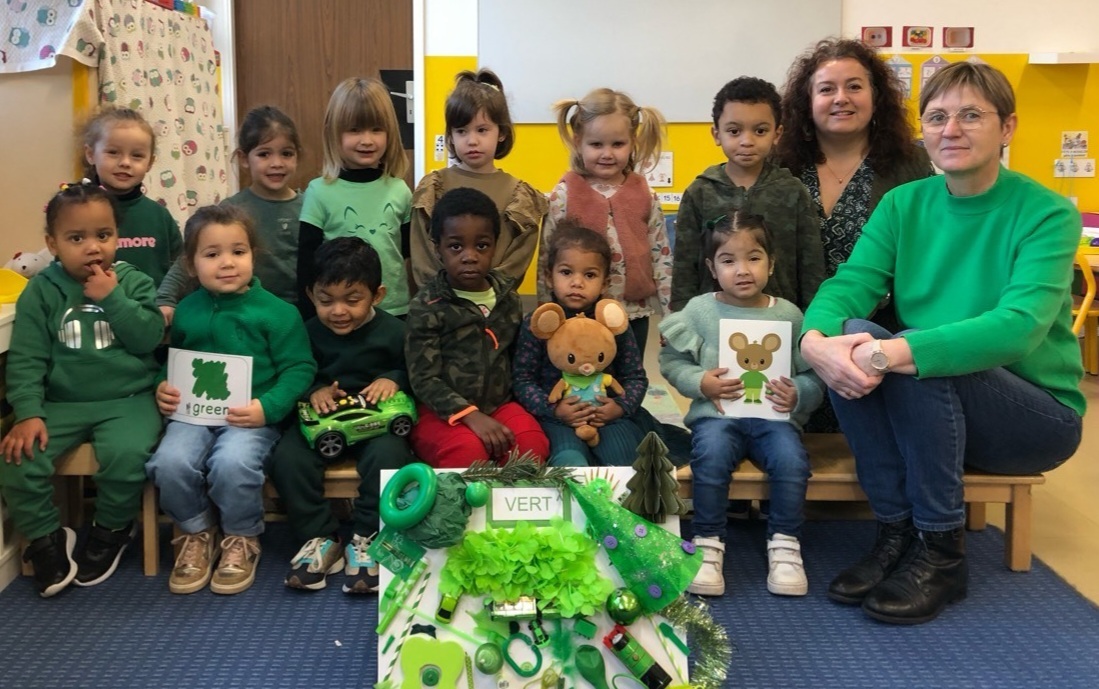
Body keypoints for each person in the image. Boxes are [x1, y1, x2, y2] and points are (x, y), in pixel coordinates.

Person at [800, 62, 1085, 625]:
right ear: (924, 131)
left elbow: (1018, 326)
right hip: (934, 414)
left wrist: (892, 353)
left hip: (1034, 420)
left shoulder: (1047, 213)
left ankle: (941, 551)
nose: (951, 129)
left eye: (971, 115)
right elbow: (850, 285)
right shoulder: (904, 204)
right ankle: (896, 533)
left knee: (913, 352)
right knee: (855, 333)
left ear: (1007, 127)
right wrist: (815, 341)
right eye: (937, 117)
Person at [0, 182, 163, 597]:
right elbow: (27, 358)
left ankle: (111, 529)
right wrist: (28, 412)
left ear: (117, 237)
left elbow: (148, 338)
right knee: (17, 458)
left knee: (127, 455)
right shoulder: (41, 290)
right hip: (62, 403)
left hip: (129, 399)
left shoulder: (134, 281)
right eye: (77, 238)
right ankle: (46, 538)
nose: (93, 247)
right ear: (52, 244)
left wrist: (114, 299)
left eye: (103, 235)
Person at [147, 205, 316, 595]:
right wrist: (163, 385)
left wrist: (267, 408)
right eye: (212, 254)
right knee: (168, 462)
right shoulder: (187, 311)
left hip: (249, 416)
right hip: (193, 413)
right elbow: (175, 361)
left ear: (253, 255)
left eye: (238, 252)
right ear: (190, 265)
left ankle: (241, 536)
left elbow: (299, 368)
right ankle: (196, 531)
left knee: (233, 463)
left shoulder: (279, 313)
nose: (227, 262)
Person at [659, 212, 823, 598]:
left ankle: (785, 544)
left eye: (754, 258)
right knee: (711, 456)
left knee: (792, 462)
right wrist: (700, 381)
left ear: (771, 263)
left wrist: (799, 392)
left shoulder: (789, 315)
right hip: (716, 417)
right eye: (728, 260)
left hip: (775, 420)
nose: (742, 270)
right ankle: (707, 543)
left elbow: (816, 373)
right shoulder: (700, 311)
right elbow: (671, 361)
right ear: (711, 268)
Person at [777, 38, 934, 433]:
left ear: (875, 96)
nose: (841, 98)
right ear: (807, 101)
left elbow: (924, 251)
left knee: (873, 438)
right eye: (826, 88)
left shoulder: (910, 163)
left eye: (854, 86)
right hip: (791, 329)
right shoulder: (779, 164)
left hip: (878, 334)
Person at [268, 237, 414, 594]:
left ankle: (366, 536)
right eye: (326, 300)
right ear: (311, 294)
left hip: (376, 425)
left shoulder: (396, 331)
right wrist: (314, 388)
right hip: (323, 423)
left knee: (390, 456)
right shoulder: (305, 332)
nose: (338, 311)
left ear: (377, 295)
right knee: (287, 458)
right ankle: (320, 537)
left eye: (352, 300)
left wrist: (393, 378)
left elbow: (414, 371)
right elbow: (293, 369)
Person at [406, 187, 549, 468]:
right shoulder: (427, 305)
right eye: (456, 246)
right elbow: (423, 379)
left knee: (531, 445)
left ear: (495, 245)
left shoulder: (508, 298)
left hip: (500, 406)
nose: (469, 256)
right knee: (467, 453)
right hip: (441, 411)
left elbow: (517, 362)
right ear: (438, 248)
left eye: (481, 246)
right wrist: (470, 415)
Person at [538, 88, 672, 359]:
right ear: (579, 142)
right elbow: (546, 260)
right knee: (582, 374)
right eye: (596, 144)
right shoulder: (564, 195)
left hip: (632, 313)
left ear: (632, 142)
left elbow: (662, 259)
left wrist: (671, 318)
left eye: (618, 144)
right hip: (578, 314)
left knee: (629, 376)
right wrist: (546, 314)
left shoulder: (646, 195)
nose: (607, 154)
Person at [671, 76, 824, 313]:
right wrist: (682, 317)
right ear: (716, 134)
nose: (747, 141)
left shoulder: (792, 191)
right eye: (734, 131)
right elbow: (684, 265)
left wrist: (814, 318)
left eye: (760, 131)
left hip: (781, 319)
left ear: (777, 134)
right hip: (713, 319)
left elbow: (811, 263)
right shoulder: (699, 192)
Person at [513, 224, 648, 467]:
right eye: (566, 272)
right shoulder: (538, 324)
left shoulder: (614, 322)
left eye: (590, 275)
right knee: (570, 461)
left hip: (608, 417)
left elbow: (635, 376)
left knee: (625, 459)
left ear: (605, 283)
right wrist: (553, 408)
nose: (577, 283)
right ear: (549, 277)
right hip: (557, 419)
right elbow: (523, 380)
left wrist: (620, 407)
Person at [157, 105, 305, 321]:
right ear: (244, 158)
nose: (277, 163)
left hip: (296, 317)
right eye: (264, 154)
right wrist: (165, 299)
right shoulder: (230, 211)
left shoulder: (309, 207)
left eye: (287, 154)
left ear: (297, 156)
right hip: (239, 314)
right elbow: (189, 258)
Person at [410, 69, 548, 289]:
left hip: (496, 304)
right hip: (440, 303)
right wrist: (443, 295)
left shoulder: (520, 196)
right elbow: (422, 254)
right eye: (461, 131)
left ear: (501, 133)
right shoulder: (433, 188)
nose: (472, 141)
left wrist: (487, 294)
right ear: (450, 136)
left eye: (482, 130)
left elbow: (517, 260)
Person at [297, 77, 412, 319]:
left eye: (376, 129)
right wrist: (310, 319)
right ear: (334, 133)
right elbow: (306, 264)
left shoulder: (401, 191)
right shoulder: (318, 192)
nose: (367, 140)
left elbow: (408, 256)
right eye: (354, 130)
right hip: (338, 314)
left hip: (393, 312)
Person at [81, 107, 182, 287]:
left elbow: (181, 271)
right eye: (113, 152)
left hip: (153, 305)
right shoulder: (77, 212)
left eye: (137, 155)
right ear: (90, 154)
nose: (125, 162)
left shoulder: (159, 216)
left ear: (150, 163)